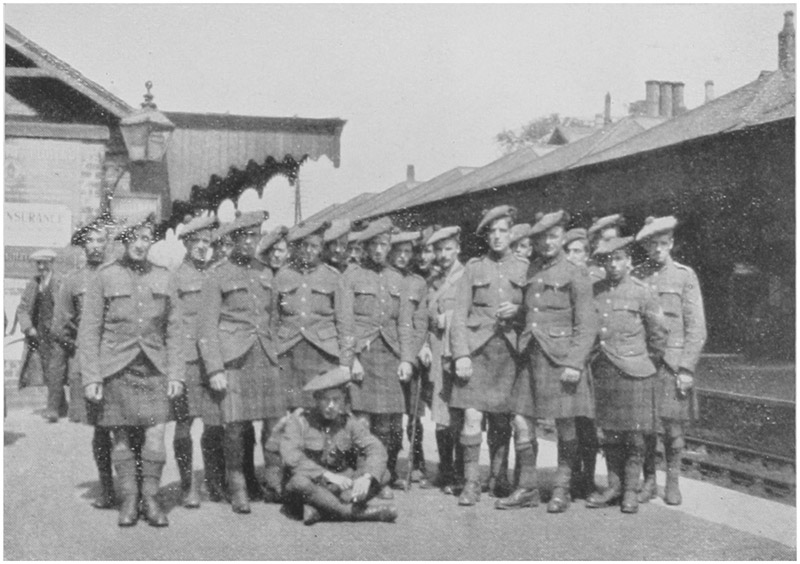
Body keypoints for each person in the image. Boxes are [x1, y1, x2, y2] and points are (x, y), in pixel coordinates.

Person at [78, 216, 184, 527]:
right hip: (116, 367)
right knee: (121, 436)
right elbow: (89, 331)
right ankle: (128, 497)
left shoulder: (164, 277)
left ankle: (150, 497)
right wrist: (92, 377)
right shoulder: (104, 276)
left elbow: (175, 330)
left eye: (145, 238)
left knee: (156, 433)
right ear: (123, 241)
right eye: (133, 238)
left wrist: (176, 373)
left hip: (154, 367)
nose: (139, 244)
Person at [501, 211, 596, 512]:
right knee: (520, 418)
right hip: (532, 355)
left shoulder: (575, 273)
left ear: (562, 238)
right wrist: (514, 311)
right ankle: (528, 487)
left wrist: (575, 363)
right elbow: (534, 312)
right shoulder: (532, 271)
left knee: (565, 425)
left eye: (553, 236)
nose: (547, 243)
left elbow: (587, 324)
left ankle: (561, 490)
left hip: (561, 359)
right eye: (541, 238)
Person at [198, 211, 285, 514]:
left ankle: (274, 483)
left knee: (274, 423)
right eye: (244, 237)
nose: (250, 242)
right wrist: (214, 368)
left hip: (264, 353)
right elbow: (206, 327)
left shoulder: (266, 272)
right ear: (233, 239)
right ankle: (238, 488)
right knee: (234, 426)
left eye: (255, 236)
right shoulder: (217, 275)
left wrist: (274, 350)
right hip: (233, 357)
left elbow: (273, 317)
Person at [450, 205, 528, 506]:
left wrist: (519, 310)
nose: (497, 237)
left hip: (509, 353)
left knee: (502, 421)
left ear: (511, 233)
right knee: (472, 415)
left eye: (502, 231)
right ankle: (471, 482)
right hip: (478, 352)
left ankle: (499, 477)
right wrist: (461, 355)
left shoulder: (524, 267)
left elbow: (534, 312)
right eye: (492, 232)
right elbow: (459, 315)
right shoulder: (473, 268)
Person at [585, 236, 668, 514]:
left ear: (630, 262)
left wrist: (645, 363)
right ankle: (613, 487)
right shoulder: (595, 291)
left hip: (636, 372)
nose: (613, 264)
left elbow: (658, 336)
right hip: (605, 370)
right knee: (609, 435)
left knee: (635, 437)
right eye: (608, 259)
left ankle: (631, 491)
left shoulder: (643, 292)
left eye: (619, 258)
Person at [336, 217, 416, 499]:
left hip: (390, 355)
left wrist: (406, 359)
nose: (380, 250)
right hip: (364, 356)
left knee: (388, 424)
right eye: (375, 245)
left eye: (384, 245)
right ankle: (360, 477)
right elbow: (345, 323)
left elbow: (405, 324)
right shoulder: (351, 277)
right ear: (367, 247)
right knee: (362, 422)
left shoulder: (399, 280)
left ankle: (378, 477)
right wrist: (351, 359)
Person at [634, 216, 706, 505]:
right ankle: (649, 481)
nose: (658, 250)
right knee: (646, 429)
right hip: (644, 363)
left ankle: (672, 483)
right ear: (647, 247)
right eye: (653, 245)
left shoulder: (684, 276)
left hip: (673, 364)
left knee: (674, 430)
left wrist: (687, 367)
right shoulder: (637, 275)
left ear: (671, 243)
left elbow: (696, 327)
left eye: (663, 244)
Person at [280, 367, 398, 525]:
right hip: (313, 483)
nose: (331, 405)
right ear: (316, 399)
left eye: (336, 400)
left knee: (382, 474)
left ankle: (322, 510)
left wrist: (366, 477)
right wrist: (328, 476)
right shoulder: (299, 421)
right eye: (325, 400)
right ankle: (355, 513)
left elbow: (375, 448)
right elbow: (291, 457)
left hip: (340, 487)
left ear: (343, 400)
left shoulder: (348, 421)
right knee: (298, 483)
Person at [51, 217, 115, 508]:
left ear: (108, 242)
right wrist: (80, 349)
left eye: (100, 240)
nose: (95, 246)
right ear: (82, 245)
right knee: (101, 428)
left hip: (119, 358)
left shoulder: (118, 274)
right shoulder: (73, 282)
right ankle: (107, 487)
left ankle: (132, 487)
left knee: (128, 425)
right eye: (89, 241)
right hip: (89, 363)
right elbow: (59, 328)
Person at [172, 214, 225, 507]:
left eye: (207, 242)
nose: (203, 247)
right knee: (184, 424)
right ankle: (187, 484)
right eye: (197, 242)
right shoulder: (176, 277)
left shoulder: (216, 275)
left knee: (215, 424)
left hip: (214, 360)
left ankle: (214, 481)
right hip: (189, 359)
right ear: (187, 243)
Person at [274, 221, 342, 411]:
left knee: (320, 408)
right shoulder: (282, 276)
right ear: (296, 247)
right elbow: (272, 317)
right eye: (304, 246)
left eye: (314, 246)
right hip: (288, 351)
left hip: (322, 352)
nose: (308, 251)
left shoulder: (333, 277)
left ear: (321, 249)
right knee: (285, 410)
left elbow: (343, 321)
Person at [560, 226, 602, 499]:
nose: (573, 256)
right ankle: (574, 475)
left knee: (591, 423)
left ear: (587, 255)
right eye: (569, 251)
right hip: (573, 358)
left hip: (597, 359)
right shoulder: (562, 279)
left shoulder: (595, 279)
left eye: (578, 251)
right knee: (571, 420)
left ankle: (589, 477)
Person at [425, 226, 466, 494]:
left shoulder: (466, 277)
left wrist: (448, 318)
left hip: (460, 352)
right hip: (438, 350)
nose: (443, 254)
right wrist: (426, 344)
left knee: (460, 413)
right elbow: (424, 316)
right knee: (441, 414)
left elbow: (473, 312)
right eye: (438, 250)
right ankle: (445, 467)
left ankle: (461, 473)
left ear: (458, 249)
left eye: (448, 248)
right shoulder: (433, 281)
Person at [388, 230, 430, 489]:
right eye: (398, 252)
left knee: (414, 416)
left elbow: (420, 320)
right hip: (389, 352)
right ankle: (389, 465)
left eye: (407, 252)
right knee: (391, 415)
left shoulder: (418, 283)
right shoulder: (384, 278)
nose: (403, 257)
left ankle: (417, 463)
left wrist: (420, 347)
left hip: (412, 354)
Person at [17, 248, 63, 421]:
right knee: (47, 368)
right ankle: (61, 404)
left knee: (55, 368)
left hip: (57, 333)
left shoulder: (60, 282)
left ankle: (53, 408)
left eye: (45, 263)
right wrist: (28, 328)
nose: (41, 267)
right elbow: (22, 308)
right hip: (39, 334)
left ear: (52, 263)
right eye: (39, 263)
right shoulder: (33, 283)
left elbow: (66, 308)